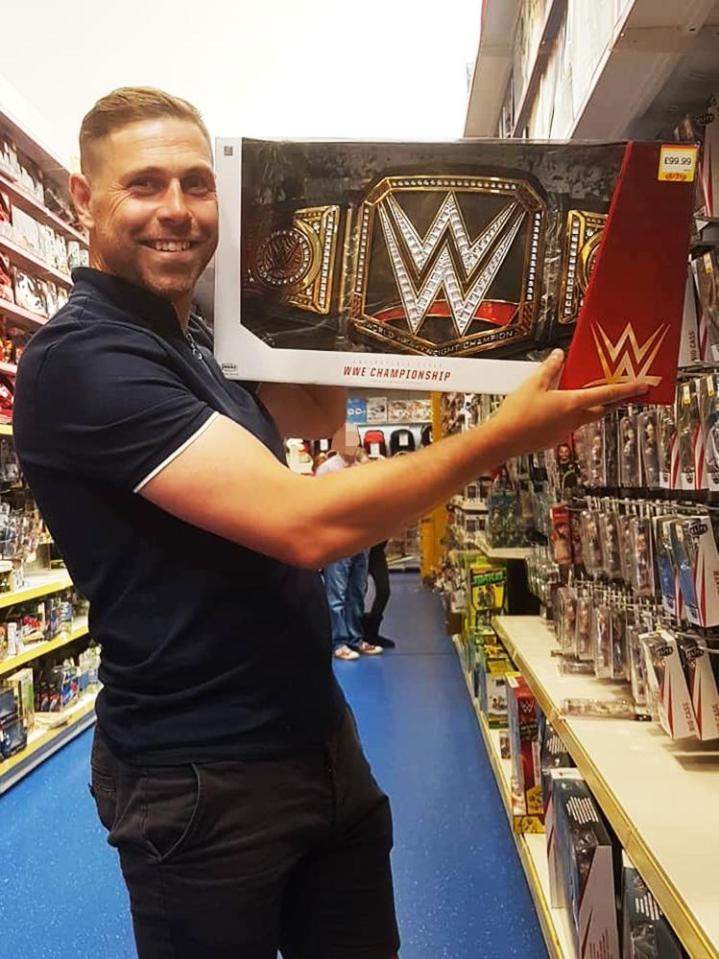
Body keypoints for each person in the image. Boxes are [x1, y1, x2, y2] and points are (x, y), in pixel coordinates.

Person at [12, 86, 646, 959]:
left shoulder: (197, 334)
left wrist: (324, 276)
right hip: (197, 777)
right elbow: (303, 525)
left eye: (198, 185)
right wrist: (499, 437)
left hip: (316, 741)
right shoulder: (84, 358)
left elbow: (313, 410)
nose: (176, 210)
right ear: (84, 199)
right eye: (144, 184)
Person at [317, 448, 381, 661]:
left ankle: (355, 638)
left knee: (357, 591)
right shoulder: (327, 469)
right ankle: (338, 642)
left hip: (362, 540)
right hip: (338, 540)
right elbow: (319, 504)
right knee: (336, 594)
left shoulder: (363, 467)